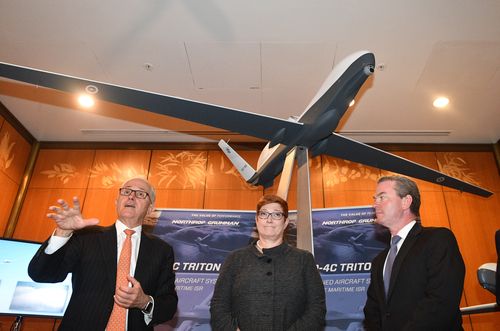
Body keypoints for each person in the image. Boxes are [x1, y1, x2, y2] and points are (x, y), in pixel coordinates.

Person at [28, 177, 178, 330]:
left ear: (150, 208)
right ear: (116, 201)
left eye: (140, 194)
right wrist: (63, 233)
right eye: (126, 191)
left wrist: (144, 302)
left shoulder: (162, 250)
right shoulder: (87, 236)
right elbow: (42, 274)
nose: (131, 196)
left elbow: (169, 306)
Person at [363, 175, 465, 331]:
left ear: (406, 202)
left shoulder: (438, 239)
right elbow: (372, 312)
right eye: (375, 198)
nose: (375, 204)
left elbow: (441, 301)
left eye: (382, 197)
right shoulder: (379, 261)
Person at [210, 194, 326, 331]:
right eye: (264, 214)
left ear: (286, 222)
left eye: (277, 215)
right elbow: (219, 306)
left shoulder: (304, 260)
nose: (269, 220)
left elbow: (316, 308)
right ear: (257, 220)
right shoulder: (235, 259)